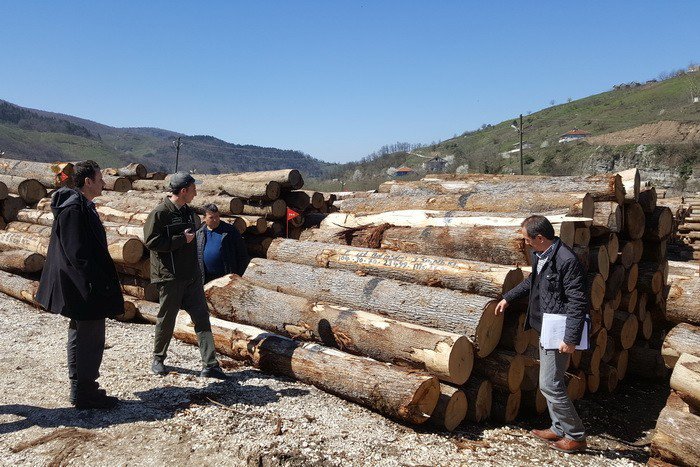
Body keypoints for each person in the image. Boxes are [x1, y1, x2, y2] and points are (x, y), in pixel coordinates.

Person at [495, 215, 588, 453]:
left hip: (559, 330)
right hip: (544, 326)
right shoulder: (541, 255)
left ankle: (575, 435)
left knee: (550, 384)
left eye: (527, 239)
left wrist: (570, 338)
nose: (524, 243)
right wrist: (508, 297)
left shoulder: (566, 260)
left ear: (539, 238)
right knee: (548, 382)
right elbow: (531, 283)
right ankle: (558, 428)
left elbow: (578, 302)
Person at [36, 160, 123, 410]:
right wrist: (99, 282)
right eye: (100, 179)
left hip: (81, 284)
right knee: (89, 337)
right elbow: (77, 254)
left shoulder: (80, 205)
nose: (104, 183)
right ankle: (84, 392)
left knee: (84, 335)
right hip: (82, 286)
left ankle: (83, 388)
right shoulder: (74, 208)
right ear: (88, 182)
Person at [143, 172, 227, 379]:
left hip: (191, 276)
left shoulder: (190, 213)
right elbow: (151, 242)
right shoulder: (160, 213)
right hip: (170, 277)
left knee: (202, 318)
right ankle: (158, 359)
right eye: (193, 189)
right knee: (167, 318)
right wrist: (180, 240)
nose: (196, 192)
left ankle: (210, 365)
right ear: (183, 191)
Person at [196, 203, 249, 284]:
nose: (215, 220)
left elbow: (242, 255)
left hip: (226, 277)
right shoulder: (200, 233)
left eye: (217, 216)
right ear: (204, 218)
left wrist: (238, 276)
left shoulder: (230, 231)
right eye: (211, 217)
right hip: (206, 278)